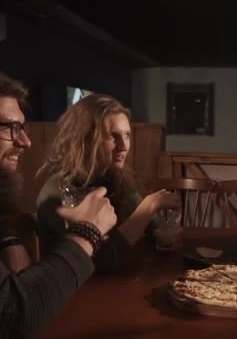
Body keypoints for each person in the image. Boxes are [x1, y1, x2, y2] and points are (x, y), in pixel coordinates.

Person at [0, 63, 117, 337]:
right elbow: (7, 319)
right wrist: (86, 234)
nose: (25, 141)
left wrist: (5, 236)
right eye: (11, 128)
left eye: (22, 127)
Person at [36, 93, 180, 272]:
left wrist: (164, 234)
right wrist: (150, 205)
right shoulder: (57, 192)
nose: (124, 146)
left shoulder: (116, 178)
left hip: (116, 283)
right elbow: (99, 263)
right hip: (76, 294)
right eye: (113, 137)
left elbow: (152, 228)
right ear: (85, 140)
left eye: (127, 135)